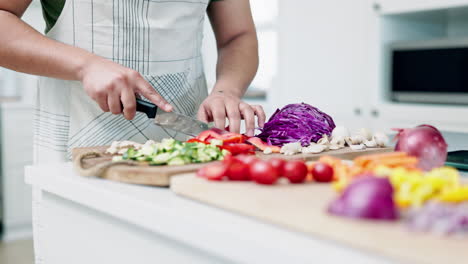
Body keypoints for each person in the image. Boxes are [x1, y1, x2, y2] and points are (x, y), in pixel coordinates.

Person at [0, 0, 265, 163]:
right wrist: (85, 65)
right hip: (81, 140)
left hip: (189, 142)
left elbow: (237, 36)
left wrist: (226, 90)